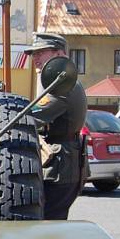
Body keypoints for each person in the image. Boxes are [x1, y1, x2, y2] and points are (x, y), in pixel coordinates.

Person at [24, 32, 88, 220]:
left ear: (59, 55)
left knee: (50, 224)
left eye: (41, 52)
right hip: (60, 163)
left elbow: (30, 118)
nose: (35, 58)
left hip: (60, 167)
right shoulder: (60, 83)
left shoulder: (63, 86)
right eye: (33, 54)